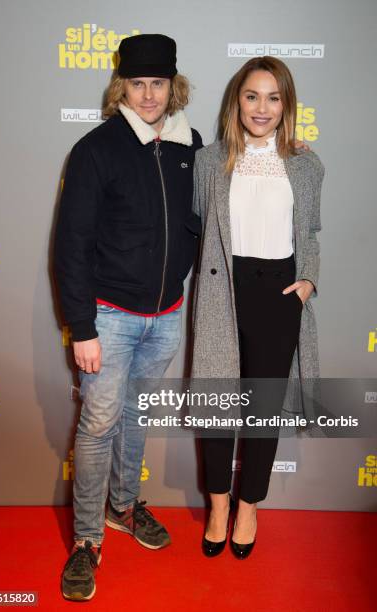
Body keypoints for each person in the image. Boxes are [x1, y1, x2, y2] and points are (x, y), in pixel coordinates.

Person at [54, 34, 202, 600]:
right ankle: (87, 540)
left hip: (166, 315)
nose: (148, 95)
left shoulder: (191, 145)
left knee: (136, 418)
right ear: (123, 86)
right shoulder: (96, 149)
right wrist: (82, 326)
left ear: (173, 86)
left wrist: (291, 151)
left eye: (158, 84)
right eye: (137, 84)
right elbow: (71, 244)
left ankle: (123, 506)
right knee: (97, 426)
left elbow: (233, 184)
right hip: (109, 318)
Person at [191, 56, 324, 559]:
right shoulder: (210, 160)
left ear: (286, 104)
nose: (262, 108)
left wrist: (308, 278)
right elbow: (199, 224)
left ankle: (249, 506)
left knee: (262, 412)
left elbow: (309, 230)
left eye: (273, 97)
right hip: (224, 288)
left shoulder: (307, 164)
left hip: (279, 295)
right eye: (252, 96)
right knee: (219, 406)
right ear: (237, 101)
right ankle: (219, 505)